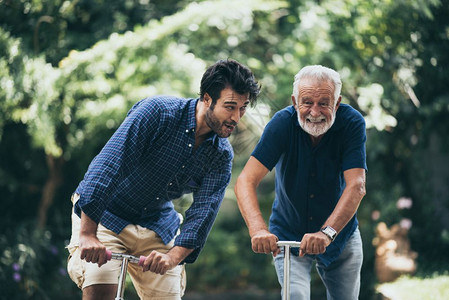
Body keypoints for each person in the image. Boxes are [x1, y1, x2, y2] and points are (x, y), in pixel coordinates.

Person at [66, 58, 261, 300]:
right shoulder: (157, 112)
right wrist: (87, 234)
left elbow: (203, 213)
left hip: (157, 223)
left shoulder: (221, 155)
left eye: (243, 108)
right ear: (207, 99)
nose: (236, 117)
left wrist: (172, 258)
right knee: (100, 291)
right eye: (230, 107)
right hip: (106, 215)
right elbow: (109, 165)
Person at [235, 65, 367, 299]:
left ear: (337, 103)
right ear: (295, 102)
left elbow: (356, 185)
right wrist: (258, 230)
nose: (314, 112)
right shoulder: (282, 124)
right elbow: (246, 180)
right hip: (288, 234)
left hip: (340, 234)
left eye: (324, 103)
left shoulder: (351, 123)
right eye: (307, 102)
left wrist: (326, 233)